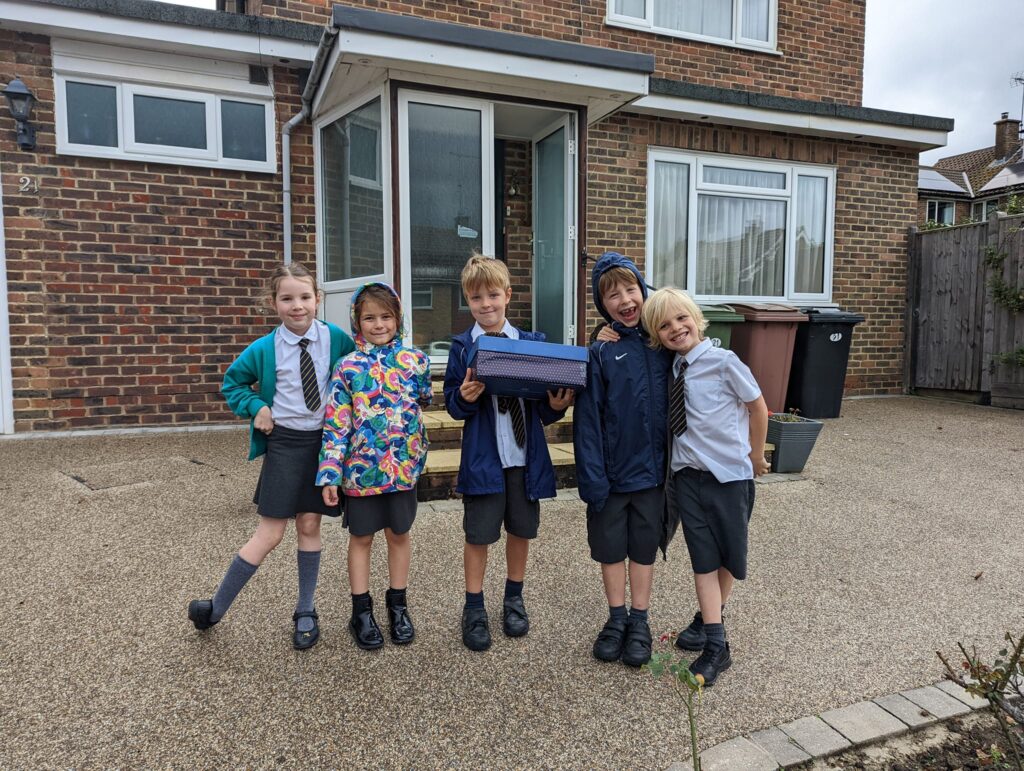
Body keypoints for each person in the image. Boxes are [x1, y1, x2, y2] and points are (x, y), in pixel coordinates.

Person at [188, 263, 355, 650]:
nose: (297, 306)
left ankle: (306, 610)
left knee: (310, 525)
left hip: (323, 445)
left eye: (305, 297)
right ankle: (215, 608)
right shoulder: (265, 347)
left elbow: (357, 375)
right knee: (270, 533)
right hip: (284, 444)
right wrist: (255, 406)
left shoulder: (337, 339)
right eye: (287, 298)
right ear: (273, 303)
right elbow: (234, 382)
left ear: (318, 299)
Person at [444, 254, 573, 652]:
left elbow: (546, 407)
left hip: (524, 457)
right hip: (486, 459)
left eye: (493, 295)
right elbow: (452, 403)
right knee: (479, 534)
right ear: (468, 300)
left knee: (522, 530)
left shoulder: (533, 345)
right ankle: (474, 607)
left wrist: (558, 403)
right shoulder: (463, 346)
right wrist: (463, 398)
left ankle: (513, 598)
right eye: (477, 297)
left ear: (508, 295)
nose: (486, 304)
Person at [642, 287, 768, 687]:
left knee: (728, 558)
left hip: (729, 477)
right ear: (656, 336)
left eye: (682, 318)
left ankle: (705, 618)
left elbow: (757, 406)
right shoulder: (674, 368)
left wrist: (755, 455)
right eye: (664, 326)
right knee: (703, 560)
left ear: (697, 319)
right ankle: (717, 645)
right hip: (688, 479)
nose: (676, 329)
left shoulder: (723, 361)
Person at [317, 282, 431, 651]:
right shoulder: (346, 367)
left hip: (401, 470)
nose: (378, 324)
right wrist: (330, 473)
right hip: (360, 472)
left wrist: (415, 453)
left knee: (399, 534)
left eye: (386, 316)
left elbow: (421, 404)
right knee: (361, 538)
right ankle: (360, 611)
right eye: (369, 317)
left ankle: (398, 605)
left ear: (398, 318)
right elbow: (336, 424)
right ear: (357, 321)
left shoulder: (416, 362)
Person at [573, 251, 672, 668]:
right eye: (612, 295)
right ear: (602, 304)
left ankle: (640, 621)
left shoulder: (663, 343)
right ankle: (616, 618)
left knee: (644, 549)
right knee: (611, 549)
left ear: (643, 290)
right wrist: (593, 479)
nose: (624, 300)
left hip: (654, 476)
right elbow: (588, 422)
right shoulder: (599, 352)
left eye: (630, 289)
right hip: (612, 477)